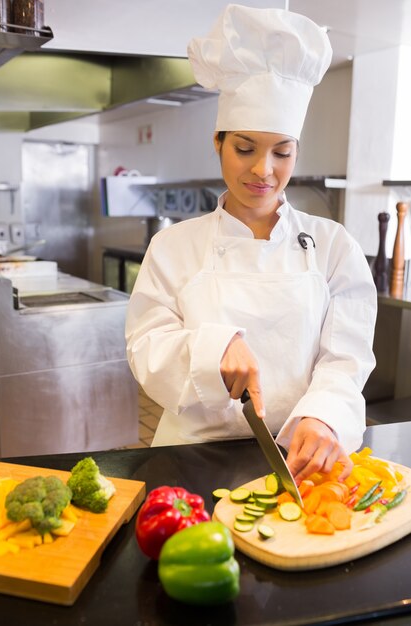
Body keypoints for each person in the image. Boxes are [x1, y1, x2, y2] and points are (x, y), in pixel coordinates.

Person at [125, 4, 377, 484]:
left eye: (282, 152)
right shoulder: (174, 247)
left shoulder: (333, 245)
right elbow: (146, 346)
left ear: (296, 152)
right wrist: (212, 349)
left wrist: (323, 414)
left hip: (300, 460)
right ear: (217, 143)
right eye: (244, 148)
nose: (264, 170)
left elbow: (346, 357)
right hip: (190, 460)